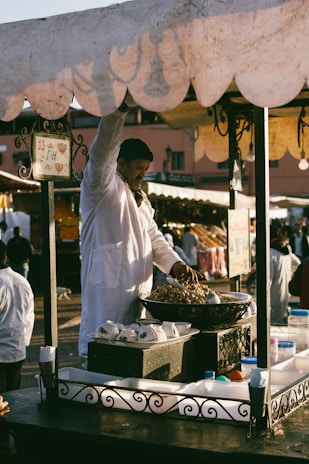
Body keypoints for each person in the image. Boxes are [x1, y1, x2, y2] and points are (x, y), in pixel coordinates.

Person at [78, 101, 202, 360]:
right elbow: (103, 152)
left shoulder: (141, 200)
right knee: (104, 352)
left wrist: (176, 265)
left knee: (132, 354)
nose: (143, 175)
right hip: (107, 295)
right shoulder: (101, 188)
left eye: (146, 170)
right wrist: (118, 112)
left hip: (137, 296)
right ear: (120, 163)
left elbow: (155, 239)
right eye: (138, 168)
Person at [0, 240, 35, 392]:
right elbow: (29, 317)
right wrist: (23, 342)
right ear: (5, 257)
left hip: (1, 352)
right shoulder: (23, 281)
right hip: (18, 349)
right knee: (13, 397)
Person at [270, 229, 301, 325]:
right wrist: (290, 273)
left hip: (274, 293)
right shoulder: (287, 252)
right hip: (285, 291)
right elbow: (298, 263)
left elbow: (267, 280)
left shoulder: (271, 253)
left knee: (273, 322)